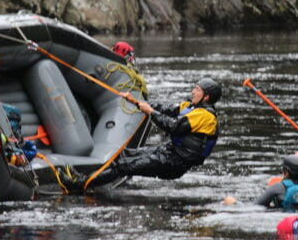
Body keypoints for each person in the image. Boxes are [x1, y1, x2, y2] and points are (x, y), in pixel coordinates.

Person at [59, 78, 221, 192]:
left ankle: (77, 185)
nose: (193, 91)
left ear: (206, 97)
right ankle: (90, 179)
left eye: (197, 89)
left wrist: (150, 112)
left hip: (175, 163)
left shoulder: (206, 116)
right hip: (169, 151)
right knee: (124, 154)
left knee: (124, 166)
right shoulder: (190, 106)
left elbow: (173, 127)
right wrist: (135, 102)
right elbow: (165, 109)